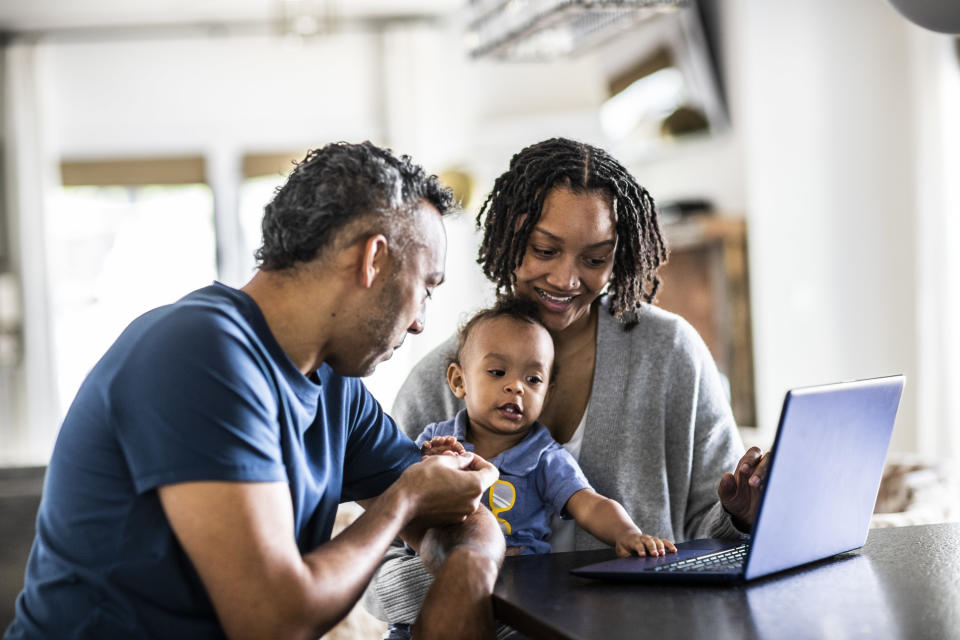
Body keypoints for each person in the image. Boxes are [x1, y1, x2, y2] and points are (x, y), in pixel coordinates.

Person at [4, 141, 506, 640]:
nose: (420, 323)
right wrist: (407, 498)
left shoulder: (336, 385)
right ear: (372, 260)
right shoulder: (198, 352)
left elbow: (455, 508)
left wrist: (472, 574)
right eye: (426, 288)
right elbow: (274, 620)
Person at [363, 137, 770, 627]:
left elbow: (714, 539)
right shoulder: (438, 380)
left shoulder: (669, 354)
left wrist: (742, 518)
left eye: (594, 259)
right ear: (508, 237)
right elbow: (377, 581)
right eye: (544, 249)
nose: (566, 278)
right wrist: (478, 572)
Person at [387, 297, 678, 639]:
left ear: (548, 394)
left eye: (534, 379)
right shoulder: (436, 439)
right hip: (425, 604)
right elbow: (396, 501)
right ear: (458, 381)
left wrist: (627, 533)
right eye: (497, 372)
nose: (516, 386)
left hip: (516, 610)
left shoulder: (545, 456)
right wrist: (430, 462)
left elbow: (589, 502)